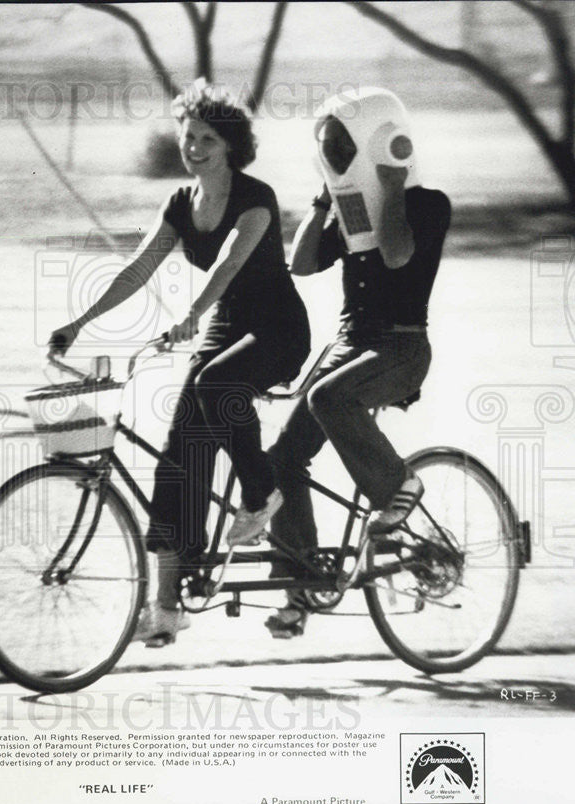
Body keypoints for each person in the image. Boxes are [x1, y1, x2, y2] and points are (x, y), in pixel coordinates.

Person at [49, 81, 310, 646]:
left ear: (231, 145)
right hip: (223, 328)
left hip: (277, 330)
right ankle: (167, 605)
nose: (193, 147)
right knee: (178, 454)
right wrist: (79, 323)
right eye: (188, 136)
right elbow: (138, 270)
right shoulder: (180, 204)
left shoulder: (255, 198)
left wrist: (192, 312)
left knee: (216, 383)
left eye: (207, 138)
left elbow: (230, 263)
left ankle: (261, 493)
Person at [264, 87, 452, 639]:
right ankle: (300, 591)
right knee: (282, 460)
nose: (337, 154)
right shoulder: (350, 212)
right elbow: (299, 262)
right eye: (330, 147)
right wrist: (326, 198)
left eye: (345, 146)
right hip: (349, 346)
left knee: (328, 398)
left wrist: (390, 184)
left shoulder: (427, 204)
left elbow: (397, 253)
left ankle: (398, 488)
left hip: (400, 347)